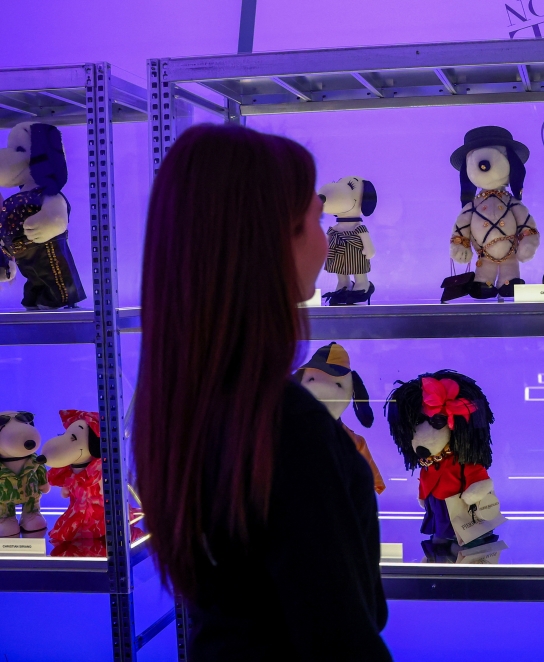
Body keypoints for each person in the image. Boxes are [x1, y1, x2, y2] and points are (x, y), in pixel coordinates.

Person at [132, 124, 391, 661]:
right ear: (270, 241)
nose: (325, 238)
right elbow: (340, 641)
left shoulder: (186, 397)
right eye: (313, 219)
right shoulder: (283, 423)